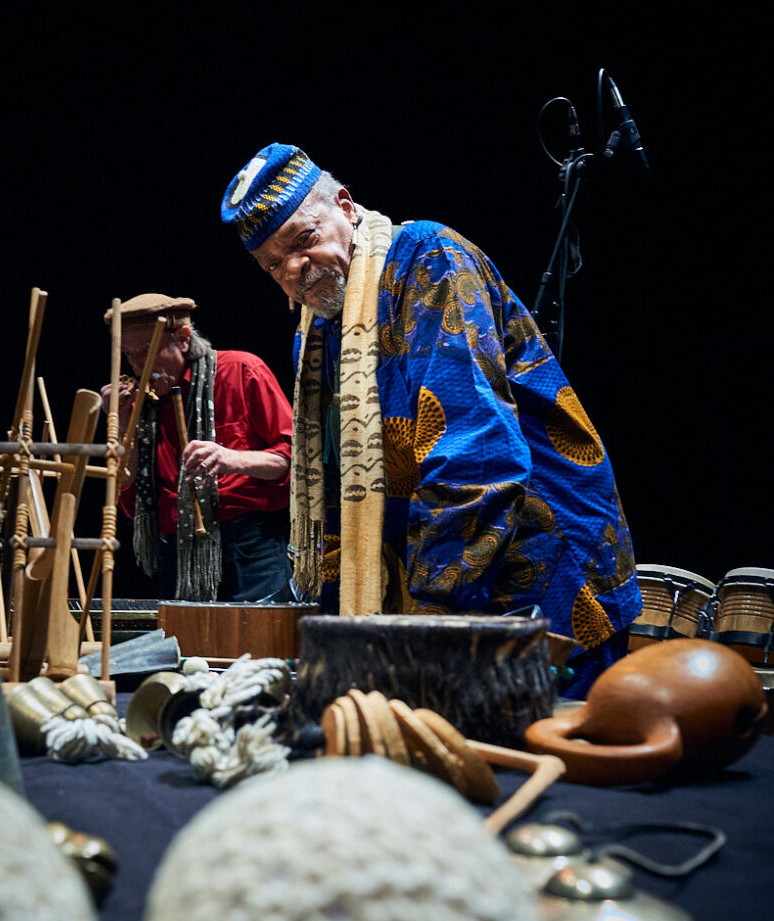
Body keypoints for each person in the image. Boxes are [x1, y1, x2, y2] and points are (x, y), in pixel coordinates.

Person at [220, 143, 641, 694]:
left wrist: (425, 620)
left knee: (559, 764)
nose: (293, 271)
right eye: (272, 264)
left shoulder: (427, 258)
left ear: (345, 206)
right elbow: (333, 487)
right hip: (435, 575)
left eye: (303, 240)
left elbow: (476, 454)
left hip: (540, 563)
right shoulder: (317, 329)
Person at [102, 293, 293, 603]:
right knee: (188, 651)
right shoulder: (137, 402)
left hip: (250, 547)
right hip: (175, 552)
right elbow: (128, 499)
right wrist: (123, 427)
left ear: (183, 338)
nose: (139, 368)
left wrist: (230, 458)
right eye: (129, 355)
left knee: (263, 648)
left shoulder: (241, 370)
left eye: (147, 353)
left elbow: (291, 461)